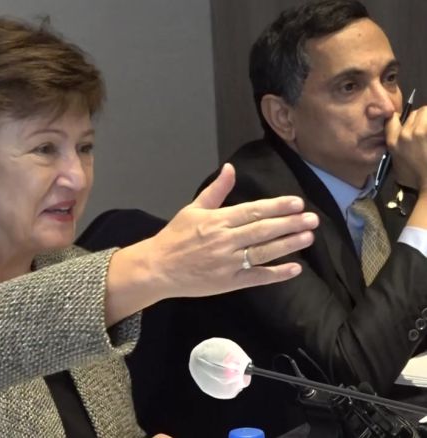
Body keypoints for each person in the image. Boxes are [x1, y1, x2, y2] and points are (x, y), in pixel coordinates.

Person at [0, 17, 318, 437]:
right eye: (45, 148)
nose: (77, 176)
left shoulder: (65, 268)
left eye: (84, 147)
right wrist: (149, 268)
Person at [127, 1, 427, 436]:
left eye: (390, 78)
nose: (386, 106)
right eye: (349, 87)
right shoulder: (249, 203)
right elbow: (349, 376)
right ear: (283, 117)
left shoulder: (393, 175)